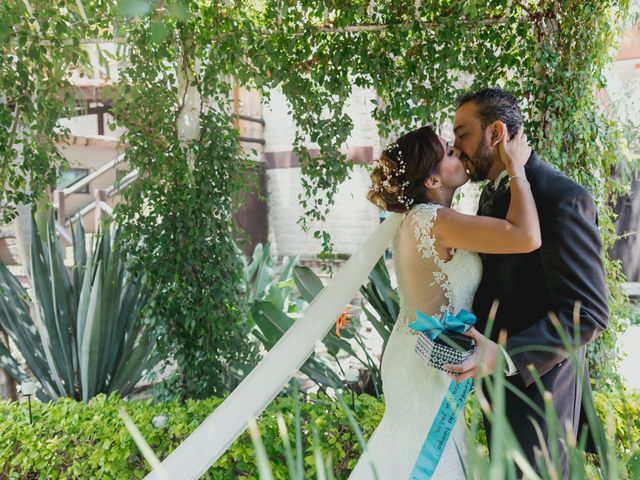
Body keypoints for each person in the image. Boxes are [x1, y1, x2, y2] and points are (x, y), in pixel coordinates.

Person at [348, 122, 537, 479]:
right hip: (427, 360)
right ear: (432, 181)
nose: (459, 153)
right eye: (449, 153)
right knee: (424, 458)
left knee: (411, 453)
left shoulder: (413, 219)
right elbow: (526, 236)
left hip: (415, 351)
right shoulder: (435, 220)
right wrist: (517, 168)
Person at [447, 87, 608, 478]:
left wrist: (504, 356)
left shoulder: (561, 198)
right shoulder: (492, 195)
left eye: (462, 133)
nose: (456, 146)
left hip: (542, 399)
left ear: (496, 132)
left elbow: (588, 313)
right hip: (496, 389)